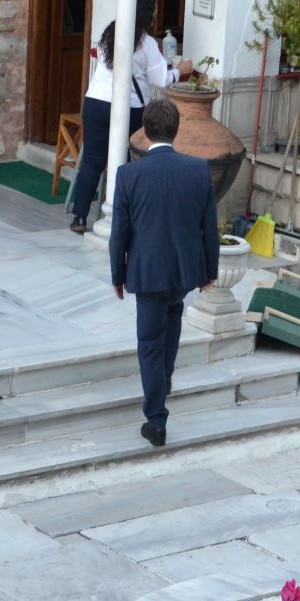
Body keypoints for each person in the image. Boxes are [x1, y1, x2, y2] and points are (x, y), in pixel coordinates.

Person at [109, 98, 219, 449]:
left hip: (148, 274)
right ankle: (164, 379)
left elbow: (119, 232)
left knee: (150, 345)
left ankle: (156, 421)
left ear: (144, 130)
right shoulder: (198, 169)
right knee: (171, 325)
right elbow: (209, 228)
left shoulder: (129, 174)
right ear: (176, 129)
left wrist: (117, 275)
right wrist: (210, 271)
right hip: (184, 272)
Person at [69, 0, 194, 234]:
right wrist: (180, 70)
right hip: (128, 106)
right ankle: (122, 218)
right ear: (149, 16)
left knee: (92, 161)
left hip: (96, 101)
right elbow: (160, 79)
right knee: (128, 164)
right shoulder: (147, 43)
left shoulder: (110, 32)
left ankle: (79, 217)